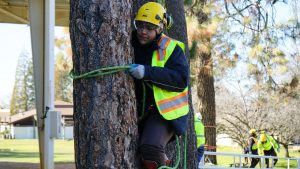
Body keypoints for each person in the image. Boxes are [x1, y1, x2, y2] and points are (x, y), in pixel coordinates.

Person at [129, 2, 189, 169]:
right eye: (140, 25)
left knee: (151, 147)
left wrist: (147, 72)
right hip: (140, 109)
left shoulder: (172, 49)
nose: (142, 31)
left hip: (166, 112)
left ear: (161, 28)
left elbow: (181, 80)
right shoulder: (127, 41)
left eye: (149, 27)